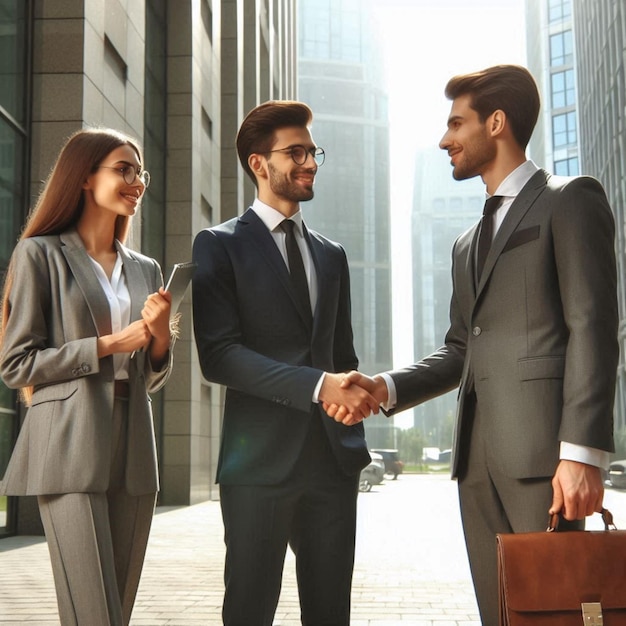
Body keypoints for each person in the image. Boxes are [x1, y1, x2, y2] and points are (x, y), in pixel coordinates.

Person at [329, 65, 618, 624]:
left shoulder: (569, 200)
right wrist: (384, 387)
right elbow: (462, 348)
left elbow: (593, 327)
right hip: (476, 464)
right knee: (501, 614)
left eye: (456, 124)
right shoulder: (466, 244)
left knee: (557, 611)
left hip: (544, 460)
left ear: (498, 122)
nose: (445, 139)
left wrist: (582, 452)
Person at [192, 100, 379, 625]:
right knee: (250, 610)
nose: (310, 162)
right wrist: (320, 386)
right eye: (295, 152)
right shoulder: (218, 245)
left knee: (330, 614)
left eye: (312, 151)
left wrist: (351, 398)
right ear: (259, 163)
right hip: (258, 466)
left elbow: (341, 354)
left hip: (332, 462)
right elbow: (220, 356)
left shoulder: (332, 254)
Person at [0, 128, 175, 626]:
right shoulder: (41, 255)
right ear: (83, 177)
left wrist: (160, 337)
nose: (136, 181)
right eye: (124, 169)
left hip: (134, 442)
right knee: (91, 612)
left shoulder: (145, 267)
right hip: (69, 439)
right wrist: (107, 346)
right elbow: (17, 364)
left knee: (116, 610)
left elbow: (153, 375)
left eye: (140, 172)